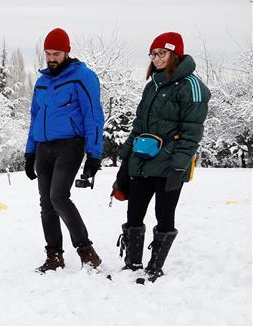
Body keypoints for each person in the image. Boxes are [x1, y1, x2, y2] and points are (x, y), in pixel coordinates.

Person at [113, 32, 210, 282]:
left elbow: (191, 133)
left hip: (169, 165)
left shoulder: (193, 87)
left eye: (162, 53)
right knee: (134, 213)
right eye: (153, 54)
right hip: (141, 161)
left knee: (164, 215)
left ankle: (155, 266)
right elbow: (137, 128)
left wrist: (178, 168)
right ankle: (133, 263)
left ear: (175, 54)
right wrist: (125, 163)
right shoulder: (152, 86)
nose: (156, 58)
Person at [25, 27, 105, 273]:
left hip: (70, 144)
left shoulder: (82, 77)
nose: (51, 58)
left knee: (58, 196)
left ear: (67, 52)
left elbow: (93, 116)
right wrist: (29, 152)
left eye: (56, 53)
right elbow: (35, 118)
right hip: (43, 147)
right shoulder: (42, 82)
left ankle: (86, 251)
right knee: (46, 204)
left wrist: (94, 154)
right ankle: (54, 256)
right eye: (48, 53)